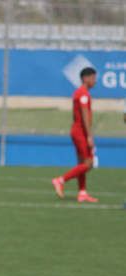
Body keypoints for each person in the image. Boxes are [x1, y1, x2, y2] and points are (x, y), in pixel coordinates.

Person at [52, 67, 98, 203]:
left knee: (82, 163)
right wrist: (89, 136)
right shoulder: (83, 94)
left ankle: (82, 193)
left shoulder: (79, 93)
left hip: (77, 130)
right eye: (93, 78)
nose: (95, 81)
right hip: (81, 132)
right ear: (86, 78)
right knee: (88, 163)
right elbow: (84, 115)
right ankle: (60, 180)